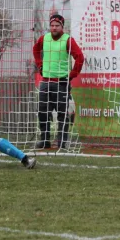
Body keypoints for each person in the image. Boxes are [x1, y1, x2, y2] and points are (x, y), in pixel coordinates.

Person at [32, 14, 84, 149]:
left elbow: (80, 57)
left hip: (61, 83)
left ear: (62, 27)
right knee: (43, 112)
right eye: (52, 25)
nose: (54, 28)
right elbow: (35, 50)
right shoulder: (44, 38)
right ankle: (45, 140)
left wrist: (72, 74)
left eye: (57, 26)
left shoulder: (68, 40)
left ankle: (62, 142)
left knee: (62, 114)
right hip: (45, 82)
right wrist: (40, 65)